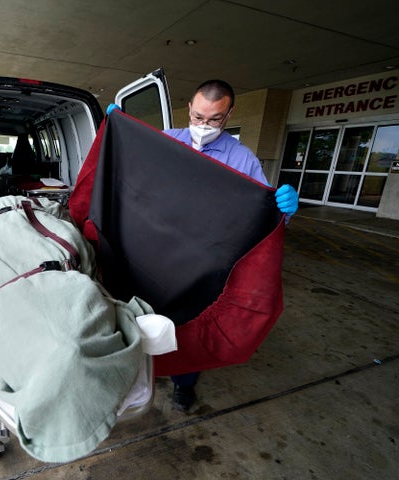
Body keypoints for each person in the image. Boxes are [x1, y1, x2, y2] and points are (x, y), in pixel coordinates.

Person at [110, 79, 299, 412]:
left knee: (189, 325)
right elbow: (132, 178)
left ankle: (184, 382)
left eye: (214, 120)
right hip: (154, 253)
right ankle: (139, 375)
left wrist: (283, 212)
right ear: (189, 110)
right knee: (143, 315)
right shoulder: (167, 141)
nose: (203, 126)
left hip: (203, 262)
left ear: (229, 115)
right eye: (198, 117)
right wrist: (120, 134)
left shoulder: (242, 160)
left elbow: (261, 219)